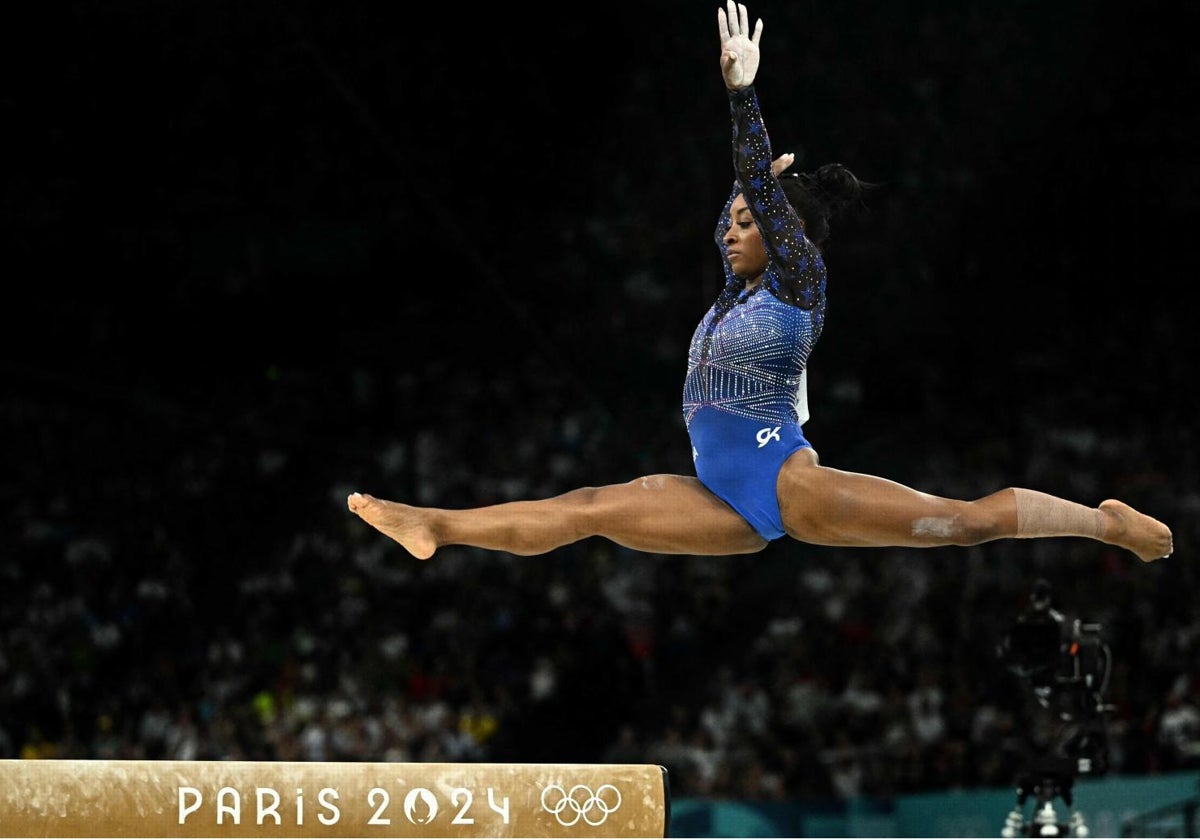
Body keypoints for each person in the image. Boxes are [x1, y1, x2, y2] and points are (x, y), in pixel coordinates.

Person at [347, 1, 1173, 566]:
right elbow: (730, 212)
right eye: (734, 220)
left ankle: (1104, 525)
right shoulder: (732, 295)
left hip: (788, 483)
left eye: (752, 221)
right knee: (590, 507)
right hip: (721, 497)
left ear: (787, 235)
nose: (732, 230)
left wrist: (743, 99)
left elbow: (753, 189)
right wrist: (753, 187)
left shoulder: (800, 281)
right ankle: (435, 526)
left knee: (963, 524)